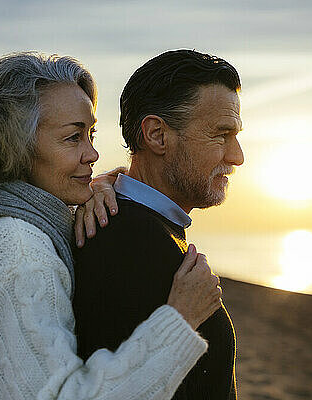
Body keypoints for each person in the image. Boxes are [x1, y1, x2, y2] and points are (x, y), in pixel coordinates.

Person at [0, 52, 224, 400]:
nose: (93, 154)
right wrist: (180, 321)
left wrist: (98, 186)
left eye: (91, 134)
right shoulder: (18, 251)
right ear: (15, 146)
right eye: (73, 137)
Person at [73, 49, 244, 399]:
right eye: (221, 135)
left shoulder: (136, 223)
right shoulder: (125, 238)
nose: (237, 156)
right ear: (157, 135)